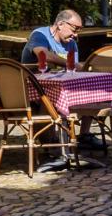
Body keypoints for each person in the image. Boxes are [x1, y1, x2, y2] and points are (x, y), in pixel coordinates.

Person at [20, 8, 99, 150]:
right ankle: (51, 144)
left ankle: (84, 135)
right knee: (48, 99)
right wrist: (72, 64)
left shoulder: (71, 43)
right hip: (34, 89)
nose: (75, 35)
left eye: (78, 31)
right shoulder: (39, 35)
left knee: (93, 90)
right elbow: (44, 54)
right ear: (60, 24)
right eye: (74, 29)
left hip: (60, 88)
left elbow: (72, 72)